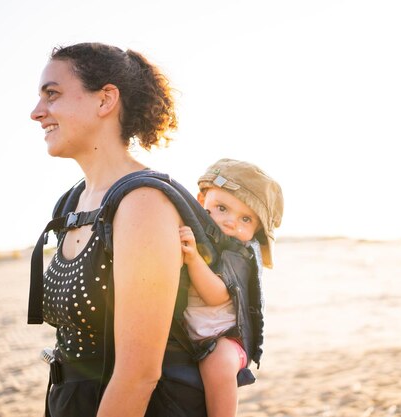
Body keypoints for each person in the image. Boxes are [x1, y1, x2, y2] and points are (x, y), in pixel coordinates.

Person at [29, 42, 205, 417]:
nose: (36, 112)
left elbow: (138, 375)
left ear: (106, 99)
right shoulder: (71, 203)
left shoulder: (142, 204)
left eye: (52, 94)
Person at [179, 158, 284, 417]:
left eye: (245, 218)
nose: (230, 223)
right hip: (190, 336)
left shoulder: (239, 253)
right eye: (222, 208)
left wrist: (193, 260)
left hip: (225, 339)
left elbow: (216, 295)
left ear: (256, 230)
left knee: (219, 363)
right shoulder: (192, 232)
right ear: (201, 200)